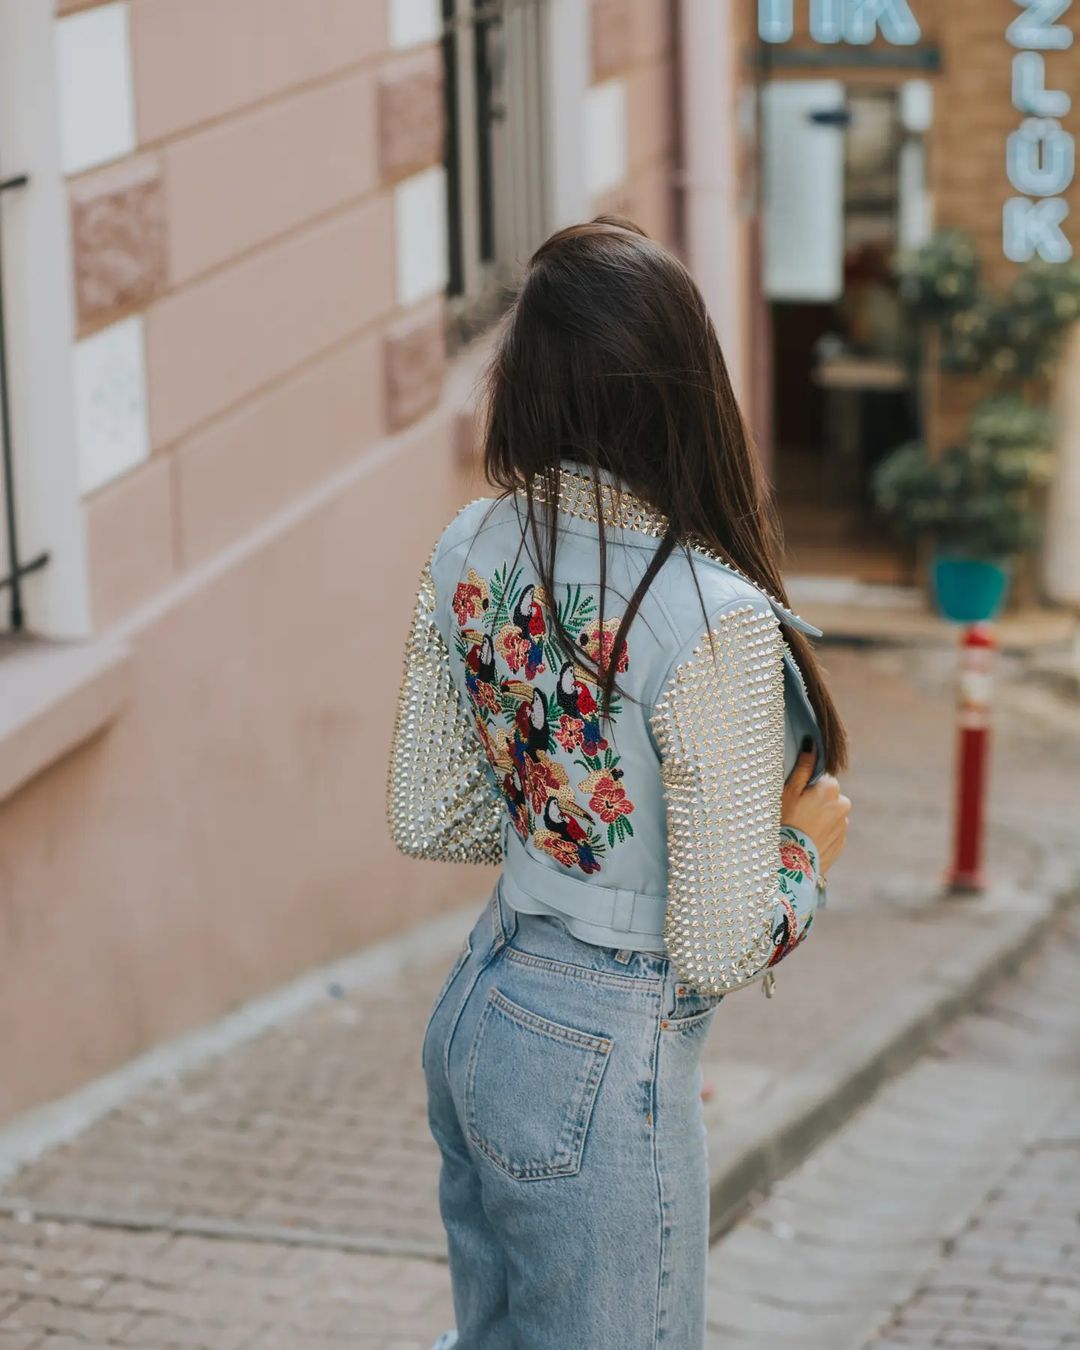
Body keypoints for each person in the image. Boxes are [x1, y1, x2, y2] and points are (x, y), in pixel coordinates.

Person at [387, 216, 851, 1349]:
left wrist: (560, 782)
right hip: (602, 1045)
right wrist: (806, 856)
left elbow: (429, 809)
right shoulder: (713, 617)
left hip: (485, 999)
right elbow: (722, 940)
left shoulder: (470, 545)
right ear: (687, 386)